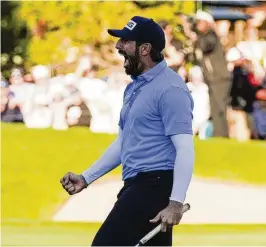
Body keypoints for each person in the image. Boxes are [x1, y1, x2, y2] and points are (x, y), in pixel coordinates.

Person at [60, 16, 195, 246]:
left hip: (153, 187)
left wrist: (175, 203)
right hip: (136, 185)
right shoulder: (135, 88)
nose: (118, 46)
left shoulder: (171, 89)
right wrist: (86, 178)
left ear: (144, 49)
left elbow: (185, 149)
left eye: (126, 41)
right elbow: (124, 143)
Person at [193, 11, 230, 137]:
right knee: (214, 107)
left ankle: (222, 134)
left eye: (199, 22)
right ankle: (218, 134)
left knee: (219, 107)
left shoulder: (211, 35)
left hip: (219, 77)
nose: (197, 25)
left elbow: (206, 46)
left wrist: (196, 37)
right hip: (213, 78)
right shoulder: (204, 36)